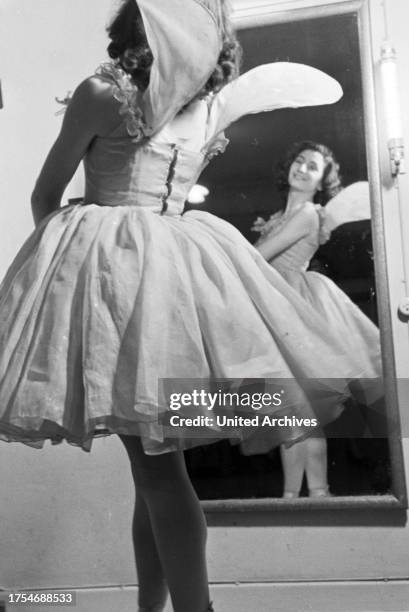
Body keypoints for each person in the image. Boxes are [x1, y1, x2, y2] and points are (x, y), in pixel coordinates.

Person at [0, 1, 371, 610]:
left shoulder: (103, 93)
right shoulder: (201, 107)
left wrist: (70, 270)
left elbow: (46, 195)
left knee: (158, 472)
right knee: (154, 474)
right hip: (176, 278)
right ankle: (152, 608)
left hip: (124, 294)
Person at [251, 141, 382, 498]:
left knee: (294, 414)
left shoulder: (308, 213)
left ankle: (297, 497)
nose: (303, 168)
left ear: (322, 181)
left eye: (313, 166)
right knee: (296, 414)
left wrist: (227, 247)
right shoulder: (281, 216)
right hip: (274, 307)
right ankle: (312, 494)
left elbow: (260, 258)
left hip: (292, 308)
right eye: (299, 161)